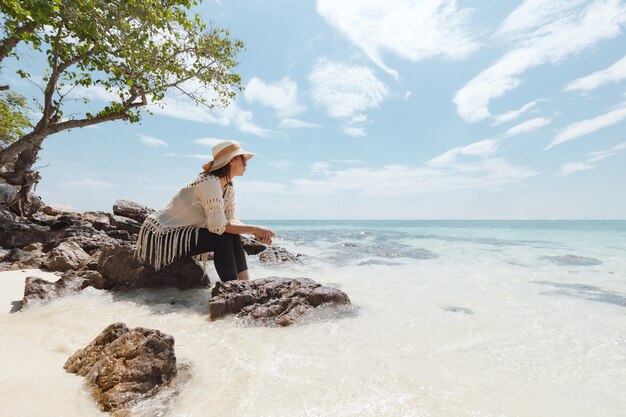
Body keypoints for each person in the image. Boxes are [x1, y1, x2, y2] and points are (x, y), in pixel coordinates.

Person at [136, 140, 275, 281]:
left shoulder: (228, 189)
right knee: (223, 238)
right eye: (243, 158)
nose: (246, 163)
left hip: (183, 233)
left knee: (232, 236)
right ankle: (233, 289)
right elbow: (219, 227)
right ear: (232, 160)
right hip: (160, 235)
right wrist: (255, 229)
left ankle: (245, 285)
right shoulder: (209, 183)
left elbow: (231, 222)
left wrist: (255, 233)